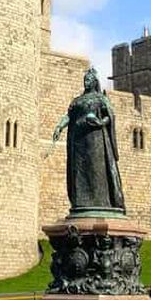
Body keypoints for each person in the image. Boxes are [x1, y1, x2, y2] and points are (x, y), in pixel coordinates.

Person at [52, 68, 125, 215]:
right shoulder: (77, 101)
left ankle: (101, 203)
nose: (86, 82)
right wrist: (60, 126)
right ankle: (81, 202)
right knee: (79, 172)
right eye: (85, 80)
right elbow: (69, 116)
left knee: (96, 171)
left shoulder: (100, 98)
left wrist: (100, 122)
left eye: (89, 80)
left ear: (94, 82)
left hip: (95, 140)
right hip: (78, 141)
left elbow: (110, 116)